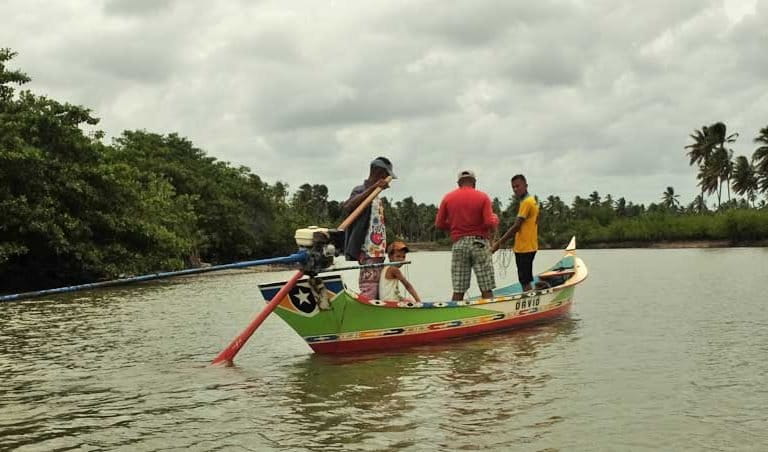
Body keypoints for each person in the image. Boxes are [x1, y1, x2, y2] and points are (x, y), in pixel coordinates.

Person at [435, 170, 499, 301]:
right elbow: (488, 222)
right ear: (474, 183)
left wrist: (454, 227)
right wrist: (495, 219)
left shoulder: (448, 198)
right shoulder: (483, 197)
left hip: (459, 244)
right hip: (479, 243)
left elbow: (439, 224)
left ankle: (453, 315)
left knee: (459, 288)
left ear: (459, 183)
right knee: (486, 286)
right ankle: (491, 314)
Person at [343, 156, 396, 300]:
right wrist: (373, 188)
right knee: (369, 287)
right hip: (367, 250)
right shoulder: (360, 190)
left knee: (380, 287)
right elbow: (348, 207)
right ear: (379, 173)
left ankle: (379, 313)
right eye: (386, 176)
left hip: (378, 250)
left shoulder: (377, 196)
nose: (387, 180)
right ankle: (364, 314)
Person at [491, 174, 539, 292]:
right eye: (513, 187)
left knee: (524, 280)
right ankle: (530, 294)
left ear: (526, 185)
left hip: (525, 248)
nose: (515, 189)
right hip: (528, 246)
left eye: (518, 186)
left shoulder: (527, 202)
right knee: (525, 279)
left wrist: (498, 244)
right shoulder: (532, 201)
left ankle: (529, 302)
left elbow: (516, 226)